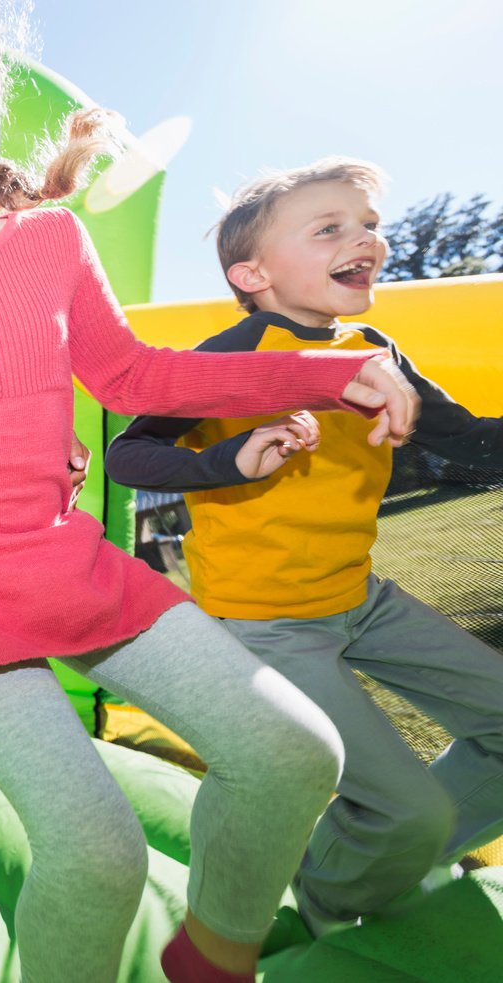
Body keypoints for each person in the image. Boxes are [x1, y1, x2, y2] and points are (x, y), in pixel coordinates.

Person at [0, 3, 422, 981]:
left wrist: (324, 373)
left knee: (295, 754)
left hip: (64, 561)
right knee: (98, 852)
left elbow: (138, 378)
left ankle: (209, 956)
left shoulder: (49, 245)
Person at [104, 156, 503, 937]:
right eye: (330, 229)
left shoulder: (375, 347)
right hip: (266, 625)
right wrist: (224, 459)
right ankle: (324, 903)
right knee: (407, 804)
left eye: (370, 226)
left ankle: (387, 861)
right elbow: (129, 455)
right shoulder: (229, 354)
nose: (366, 241)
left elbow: (467, 439)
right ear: (253, 273)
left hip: (361, 597)